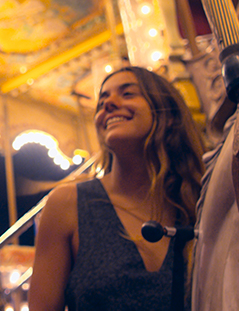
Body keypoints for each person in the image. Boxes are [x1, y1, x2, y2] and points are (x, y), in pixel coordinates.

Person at [27, 67, 205, 311]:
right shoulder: (68, 204)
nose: (108, 104)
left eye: (128, 94)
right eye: (102, 101)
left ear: (169, 114)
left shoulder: (198, 203)